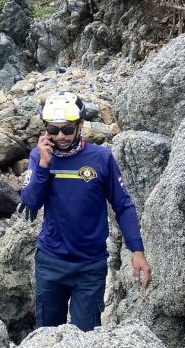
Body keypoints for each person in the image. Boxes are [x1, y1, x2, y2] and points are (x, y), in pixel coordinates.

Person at [20, 91, 152, 332]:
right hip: (51, 263)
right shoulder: (39, 156)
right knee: (47, 336)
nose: (60, 136)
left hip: (90, 266)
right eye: (53, 129)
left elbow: (123, 205)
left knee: (87, 338)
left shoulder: (101, 158)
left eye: (67, 129)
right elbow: (30, 201)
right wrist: (43, 165)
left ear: (80, 124)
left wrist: (137, 250)